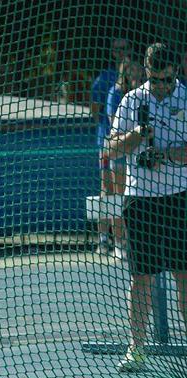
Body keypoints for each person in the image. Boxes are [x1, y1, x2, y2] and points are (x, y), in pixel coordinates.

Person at [105, 43, 187, 372]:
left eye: (168, 80)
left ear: (176, 72)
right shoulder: (132, 100)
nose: (163, 87)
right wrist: (136, 137)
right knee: (142, 278)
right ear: (146, 70)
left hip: (180, 197)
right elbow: (111, 148)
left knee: (184, 275)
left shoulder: (186, 98)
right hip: (141, 200)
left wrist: (167, 155)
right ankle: (137, 348)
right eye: (156, 80)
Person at [92, 38, 133, 255]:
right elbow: (97, 111)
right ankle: (105, 239)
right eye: (117, 50)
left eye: (125, 49)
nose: (121, 53)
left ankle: (121, 240)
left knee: (123, 192)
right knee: (108, 191)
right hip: (108, 144)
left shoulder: (140, 89)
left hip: (129, 147)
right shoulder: (104, 82)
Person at [104, 59, 145, 260]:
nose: (134, 73)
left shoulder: (146, 93)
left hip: (142, 155)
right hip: (121, 153)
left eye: (137, 68)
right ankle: (119, 242)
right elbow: (115, 127)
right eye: (130, 70)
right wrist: (133, 137)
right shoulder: (116, 93)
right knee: (119, 198)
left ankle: (136, 241)